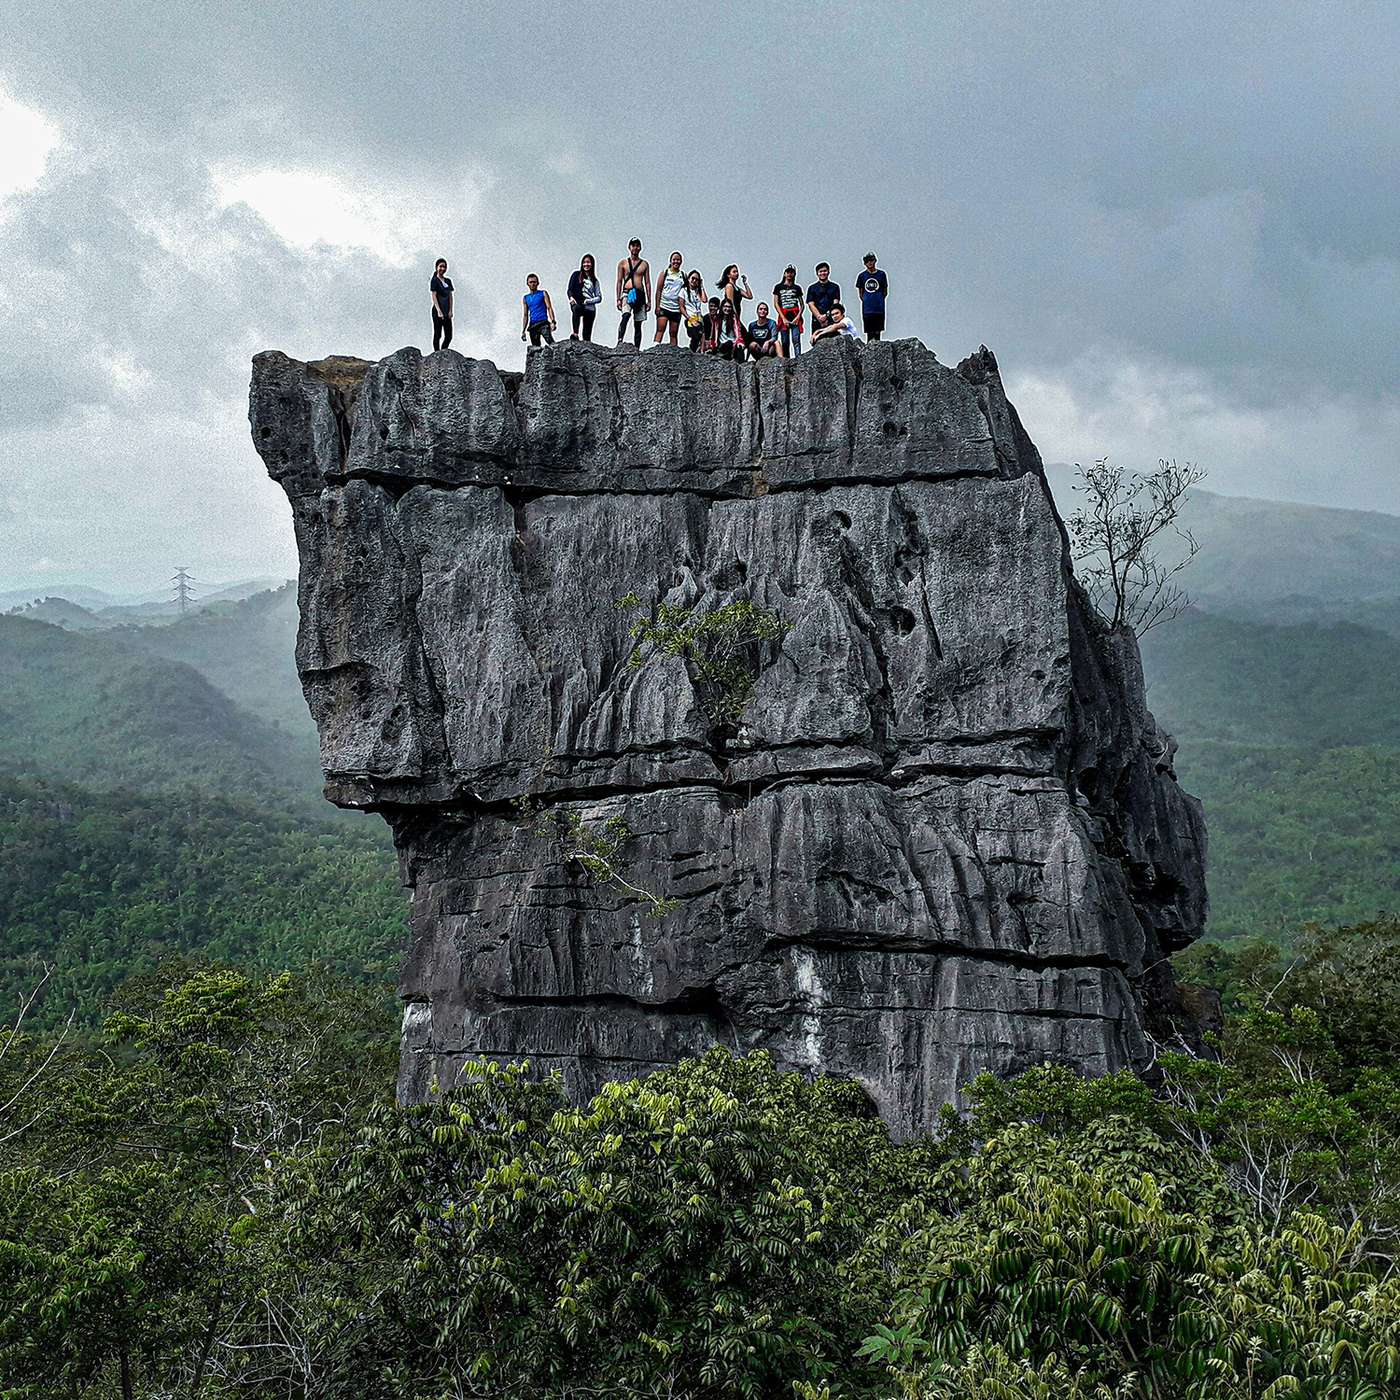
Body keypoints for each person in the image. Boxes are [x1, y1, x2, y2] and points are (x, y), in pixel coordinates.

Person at [615, 238, 651, 348]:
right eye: (633, 245)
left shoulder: (644, 264)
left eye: (637, 245)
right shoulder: (623, 263)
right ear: (629, 247)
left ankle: (637, 348)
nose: (635, 248)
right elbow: (619, 281)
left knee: (638, 323)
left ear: (640, 248)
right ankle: (620, 340)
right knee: (625, 315)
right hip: (627, 293)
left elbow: (648, 282)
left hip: (640, 294)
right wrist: (618, 298)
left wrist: (649, 301)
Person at [652, 250, 687, 346]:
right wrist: (657, 306)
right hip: (664, 305)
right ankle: (654, 350)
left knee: (673, 333)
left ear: (681, 261)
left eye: (678, 260)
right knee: (660, 329)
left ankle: (674, 354)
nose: (676, 262)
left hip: (676, 308)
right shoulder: (665, 272)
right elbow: (658, 290)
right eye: (674, 260)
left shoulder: (683, 275)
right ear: (670, 261)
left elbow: (686, 292)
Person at [854, 252, 889, 342]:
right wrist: (866, 299)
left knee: (878, 332)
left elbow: (885, 291)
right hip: (867, 308)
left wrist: (879, 299)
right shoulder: (862, 276)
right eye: (867, 261)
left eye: (871, 261)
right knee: (869, 332)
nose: (869, 263)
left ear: (875, 261)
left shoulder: (881, 274)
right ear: (864, 263)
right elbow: (861, 292)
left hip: (879, 308)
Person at [567, 254, 602, 341]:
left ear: (592, 264)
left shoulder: (594, 280)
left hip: (590, 308)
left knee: (587, 336)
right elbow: (570, 289)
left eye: (589, 262)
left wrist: (588, 301)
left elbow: (599, 297)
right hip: (578, 303)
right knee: (576, 309)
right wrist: (571, 298)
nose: (586, 264)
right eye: (585, 262)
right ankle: (575, 334)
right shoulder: (576, 275)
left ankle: (587, 349)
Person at [772, 264, 804, 357]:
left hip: (795, 314)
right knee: (785, 341)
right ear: (785, 274)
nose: (789, 274)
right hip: (784, 314)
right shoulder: (778, 287)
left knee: (796, 339)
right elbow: (776, 303)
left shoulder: (797, 288)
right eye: (788, 272)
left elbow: (802, 304)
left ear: (794, 274)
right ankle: (787, 360)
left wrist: (798, 317)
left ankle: (798, 359)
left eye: (791, 273)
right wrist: (783, 318)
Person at [806, 262, 841, 339]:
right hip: (816, 319)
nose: (823, 273)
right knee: (816, 340)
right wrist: (819, 317)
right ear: (817, 273)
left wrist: (826, 316)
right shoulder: (812, 288)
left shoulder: (835, 287)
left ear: (828, 272)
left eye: (825, 271)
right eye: (820, 271)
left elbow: (836, 304)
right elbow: (811, 304)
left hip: (831, 319)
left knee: (833, 341)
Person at [520, 273, 556, 347]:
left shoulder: (543, 293)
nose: (533, 284)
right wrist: (523, 331)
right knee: (536, 347)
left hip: (543, 323)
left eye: (534, 282)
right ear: (527, 284)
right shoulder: (526, 298)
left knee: (550, 341)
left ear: (538, 283)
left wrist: (553, 322)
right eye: (530, 282)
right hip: (533, 325)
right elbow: (525, 315)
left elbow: (549, 307)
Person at [430, 258, 454, 351]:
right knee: (438, 334)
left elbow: (450, 296)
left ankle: (443, 351)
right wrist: (439, 311)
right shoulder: (434, 280)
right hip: (437, 311)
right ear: (436, 267)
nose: (442, 269)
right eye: (441, 266)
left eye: (444, 267)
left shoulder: (448, 281)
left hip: (447, 310)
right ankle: (436, 353)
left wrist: (451, 310)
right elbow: (434, 295)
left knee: (449, 335)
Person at [681, 270, 708, 351]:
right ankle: (692, 351)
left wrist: (702, 286)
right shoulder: (684, 291)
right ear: (689, 279)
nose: (694, 281)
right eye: (693, 278)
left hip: (699, 317)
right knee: (695, 335)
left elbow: (704, 300)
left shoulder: (697, 291)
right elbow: (681, 307)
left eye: (697, 279)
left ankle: (700, 352)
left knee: (702, 334)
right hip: (690, 317)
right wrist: (690, 319)